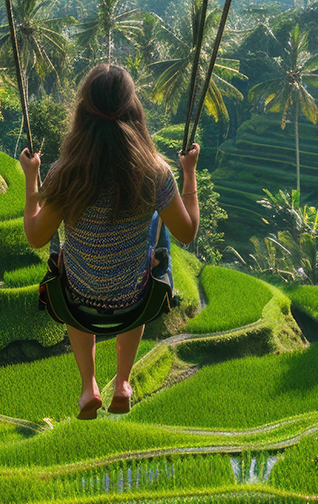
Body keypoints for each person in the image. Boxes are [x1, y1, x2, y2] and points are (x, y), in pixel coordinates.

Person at [19, 64, 199, 419]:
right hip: (134, 298)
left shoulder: (65, 172)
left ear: (82, 112)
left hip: (77, 299)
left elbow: (36, 237)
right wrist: (189, 172)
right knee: (153, 239)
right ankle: (122, 383)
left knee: (68, 269)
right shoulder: (155, 172)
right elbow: (187, 233)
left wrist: (31, 179)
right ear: (134, 110)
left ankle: (89, 387)